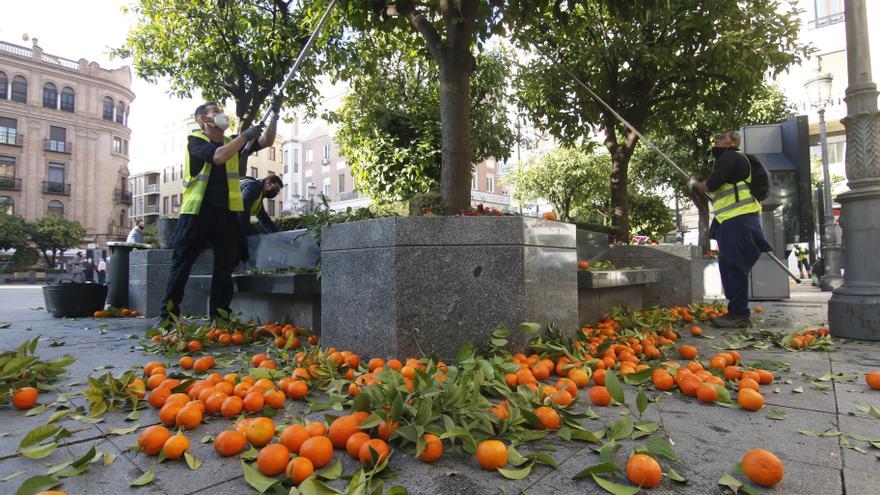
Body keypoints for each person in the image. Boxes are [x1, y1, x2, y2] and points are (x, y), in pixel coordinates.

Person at [160, 98, 279, 322]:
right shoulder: (195, 141)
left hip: (225, 215)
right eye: (215, 111)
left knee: (225, 267)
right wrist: (245, 136)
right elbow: (218, 156)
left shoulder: (231, 142)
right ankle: (167, 317)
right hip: (196, 213)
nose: (221, 114)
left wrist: (275, 115)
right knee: (181, 265)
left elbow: (266, 140)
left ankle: (219, 317)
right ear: (204, 119)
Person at [693, 131, 773, 328]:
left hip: (737, 219)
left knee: (733, 266)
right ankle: (737, 311)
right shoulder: (736, 161)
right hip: (738, 219)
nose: (717, 139)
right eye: (716, 137)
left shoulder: (731, 156)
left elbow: (712, 184)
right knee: (732, 265)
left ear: (734, 142)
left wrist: (697, 185)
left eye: (722, 137)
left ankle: (738, 313)